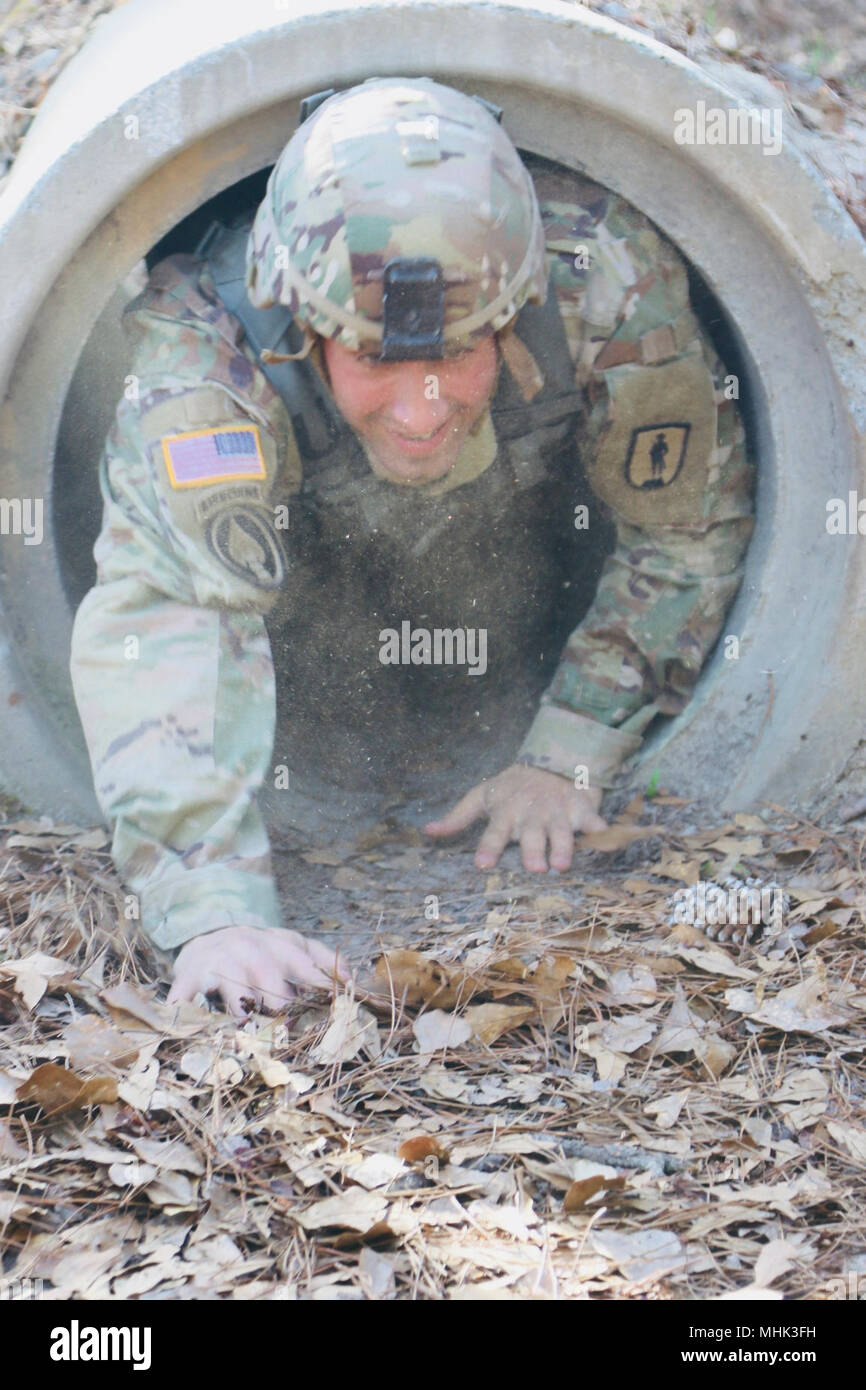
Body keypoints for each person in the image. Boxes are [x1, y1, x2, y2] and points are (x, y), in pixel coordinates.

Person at [69, 78, 754, 1015]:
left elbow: (685, 525)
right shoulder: (210, 352)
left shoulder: (603, 275)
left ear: (512, 313)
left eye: (456, 354)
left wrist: (571, 748)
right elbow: (165, 611)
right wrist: (214, 907)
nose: (420, 408)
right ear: (307, 329)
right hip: (301, 561)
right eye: (377, 359)